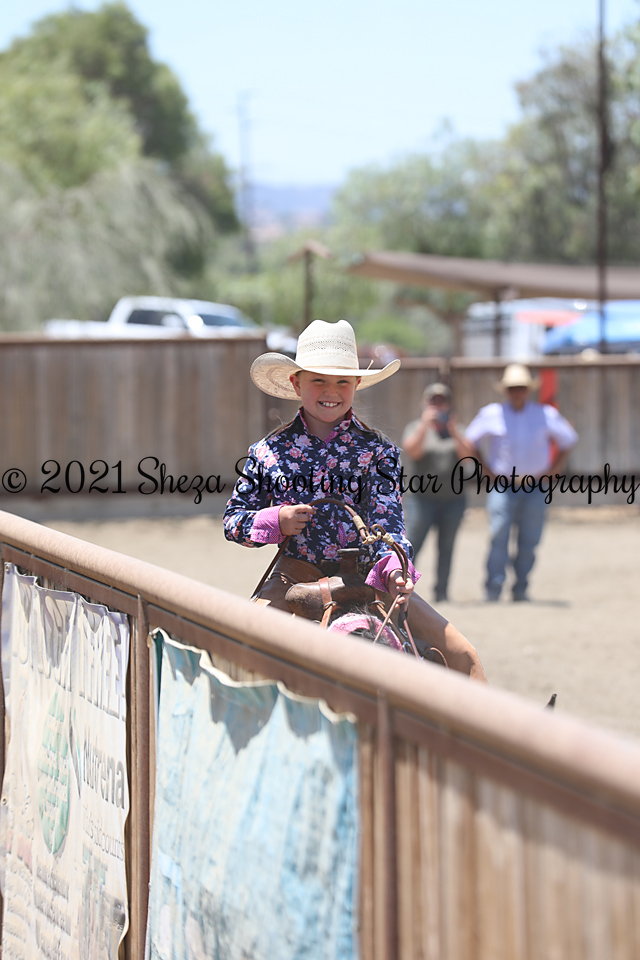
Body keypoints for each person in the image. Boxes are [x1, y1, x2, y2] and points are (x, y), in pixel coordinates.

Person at [224, 318, 486, 680]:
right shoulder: (268, 452)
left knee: (461, 654)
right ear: (297, 382)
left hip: (369, 577)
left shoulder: (379, 451)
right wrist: (276, 520)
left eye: (342, 381)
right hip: (294, 575)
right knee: (241, 651)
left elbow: (389, 522)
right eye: (319, 380)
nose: (331, 391)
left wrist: (395, 568)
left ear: (356, 385)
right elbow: (233, 522)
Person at [464, 363, 578, 602]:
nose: (517, 392)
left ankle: (521, 588)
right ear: (506, 391)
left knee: (530, 539)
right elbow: (470, 440)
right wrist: (485, 469)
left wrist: (554, 469)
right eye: (513, 388)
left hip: (535, 485)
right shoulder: (492, 413)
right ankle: (493, 589)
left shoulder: (545, 414)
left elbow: (568, 439)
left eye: (521, 388)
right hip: (503, 485)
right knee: (499, 535)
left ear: (528, 390)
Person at [402, 383, 468, 602]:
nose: (437, 406)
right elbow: (412, 451)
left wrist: (455, 431)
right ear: (425, 403)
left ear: (449, 404)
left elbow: (468, 457)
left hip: (452, 500)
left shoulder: (456, 429)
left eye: (442, 401)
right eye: (433, 401)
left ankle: (442, 592)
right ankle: (402, 587)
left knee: (446, 547)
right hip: (421, 500)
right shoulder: (416, 427)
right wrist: (424, 425)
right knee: (412, 545)